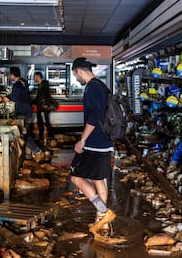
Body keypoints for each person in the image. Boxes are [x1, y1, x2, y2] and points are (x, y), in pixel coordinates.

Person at [69, 57, 116, 238]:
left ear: (80, 71)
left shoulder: (93, 87)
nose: (76, 78)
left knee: (76, 177)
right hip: (104, 142)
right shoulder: (101, 86)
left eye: (75, 75)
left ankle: (103, 211)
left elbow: (94, 116)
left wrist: (82, 139)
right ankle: (101, 221)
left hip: (95, 143)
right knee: (98, 179)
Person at [3, 67, 44, 162]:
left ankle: (37, 151)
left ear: (12, 75)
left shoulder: (17, 85)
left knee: (23, 133)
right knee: (26, 131)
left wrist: (6, 98)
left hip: (22, 111)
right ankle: (29, 153)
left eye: (10, 75)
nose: (9, 76)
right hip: (27, 110)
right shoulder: (24, 82)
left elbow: (13, 97)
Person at [33, 71, 54, 141]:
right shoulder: (42, 85)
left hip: (43, 107)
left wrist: (34, 102)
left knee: (44, 121)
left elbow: (41, 97)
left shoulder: (43, 85)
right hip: (42, 107)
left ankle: (49, 137)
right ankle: (47, 136)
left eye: (34, 76)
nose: (33, 78)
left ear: (38, 77)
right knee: (44, 121)